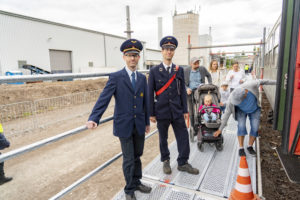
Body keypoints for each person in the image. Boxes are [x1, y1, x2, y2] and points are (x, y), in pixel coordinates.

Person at [86, 39, 151, 200]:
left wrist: (147, 122)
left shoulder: (142, 78)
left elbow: (145, 101)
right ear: (124, 57)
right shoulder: (116, 77)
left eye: (135, 55)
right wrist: (95, 117)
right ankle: (129, 190)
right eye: (129, 55)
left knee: (138, 155)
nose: (132, 58)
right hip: (124, 125)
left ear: (139, 57)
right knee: (129, 159)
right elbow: (104, 98)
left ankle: (137, 182)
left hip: (139, 124)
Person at [148, 36, 199, 175]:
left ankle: (183, 162)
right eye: (166, 49)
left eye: (171, 49)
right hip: (161, 110)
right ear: (162, 51)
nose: (168, 51)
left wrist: (185, 109)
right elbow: (149, 93)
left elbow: (182, 90)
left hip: (177, 110)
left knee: (183, 136)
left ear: (174, 51)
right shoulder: (153, 71)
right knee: (163, 138)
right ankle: (165, 161)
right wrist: (151, 113)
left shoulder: (179, 70)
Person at [213, 79, 276, 157]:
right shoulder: (231, 99)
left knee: (255, 128)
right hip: (241, 111)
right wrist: (220, 129)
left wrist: (278, 82)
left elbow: (265, 81)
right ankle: (241, 148)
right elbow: (226, 115)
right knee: (241, 126)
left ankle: (250, 146)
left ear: (245, 94)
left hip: (254, 109)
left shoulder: (251, 85)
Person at [184, 57, 212, 129]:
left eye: (198, 63)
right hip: (190, 92)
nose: (197, 65)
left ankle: (202, 124)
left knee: (201, 108)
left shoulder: (202, 69)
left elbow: (208, 75)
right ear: (191, 64)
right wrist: (187, 88)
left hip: (200, 91)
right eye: (195, 64)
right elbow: (182, 82)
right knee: (191, 110)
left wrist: (210, 84)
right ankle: (193, 127)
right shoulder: (186, 70)